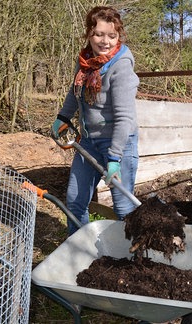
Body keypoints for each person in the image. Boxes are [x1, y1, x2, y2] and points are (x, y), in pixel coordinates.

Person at [51, 6, 139, 235]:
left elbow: (124, 118)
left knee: (123, 208)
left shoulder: (121, 67)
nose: (105, 41)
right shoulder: (85, 62)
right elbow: (75, 92)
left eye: (112, 36)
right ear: (89, 33)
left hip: (118, 143)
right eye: (99, 34)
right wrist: (62, 117)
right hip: (88, 141)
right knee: (75, 200)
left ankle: (129, 259)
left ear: (118, 37)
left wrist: (114, 157)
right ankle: (80, 249)